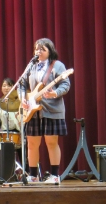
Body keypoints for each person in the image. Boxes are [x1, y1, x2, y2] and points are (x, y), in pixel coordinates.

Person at [19, 38, 71, 184]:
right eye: (36, 49)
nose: (38, 52)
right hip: (33, 110)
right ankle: (33, 175)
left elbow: (65, 84)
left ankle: (55, 176)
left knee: (51, 142)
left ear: (50, 51)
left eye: (42, 49)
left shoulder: (57, 66)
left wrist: (55, 93)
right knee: (32, 143)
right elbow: (21, 85)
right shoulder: (31, 66)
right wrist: (23, 98)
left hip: (52, 110)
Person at [0, 77, 22, 147]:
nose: (6, 88)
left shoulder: (19, 102)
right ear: (1, 88)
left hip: (18, 133)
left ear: (13, 88)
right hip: (1, 135)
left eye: (9, 85)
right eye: (4, 86)